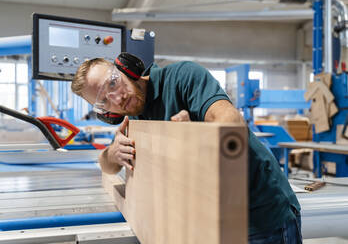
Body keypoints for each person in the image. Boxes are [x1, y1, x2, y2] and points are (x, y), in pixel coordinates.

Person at [71, 53, 302, 244]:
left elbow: (230, 123)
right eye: (104, 101)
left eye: (113, 83)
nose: (117, 98)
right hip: (211, 219)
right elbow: (106, 165)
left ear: (126, 68)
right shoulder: (134, 118)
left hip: (260, 216)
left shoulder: (183, 77)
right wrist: (113, 152)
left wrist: (197, 137)